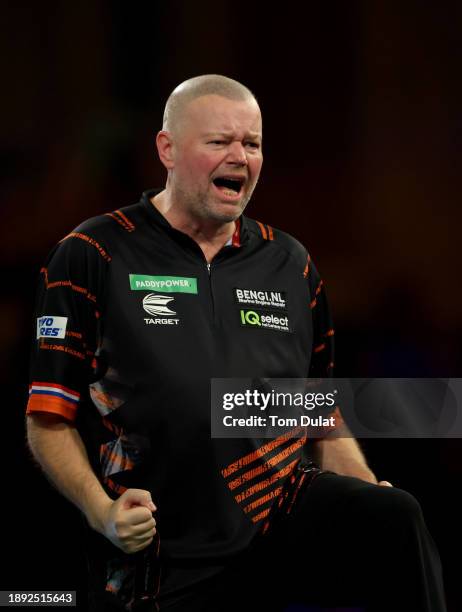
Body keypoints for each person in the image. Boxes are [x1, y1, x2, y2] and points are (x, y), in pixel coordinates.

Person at [26, 74, 447, 611]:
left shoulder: (290, 263)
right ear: (168, 150)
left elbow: (313, 413)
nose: (239, 157)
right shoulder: (92, 253)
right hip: (162, 548)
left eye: (251, 143)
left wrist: (365, 488)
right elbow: (47, 418)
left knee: (394, 515)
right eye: (219, 142)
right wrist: (101, 512)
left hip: (277, 523)